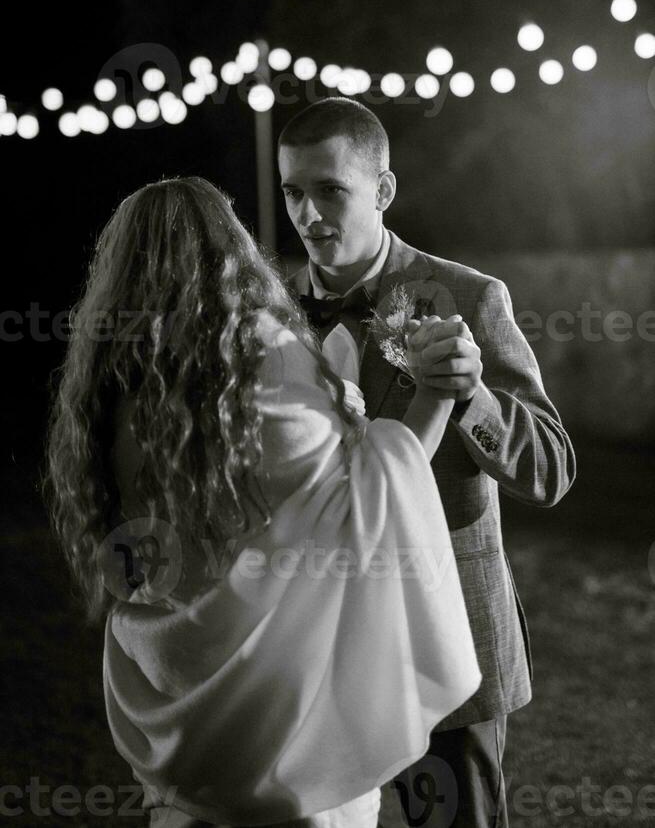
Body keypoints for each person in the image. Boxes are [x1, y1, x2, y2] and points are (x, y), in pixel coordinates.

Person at [43, 176, 482, 828]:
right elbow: (367, 498)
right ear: (233, 250)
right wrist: (432, 398)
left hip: (177, 701)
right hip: (283, 711)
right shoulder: (261, 353)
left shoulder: (106, 384)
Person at [278, 97, 577, 828]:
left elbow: (551, 467)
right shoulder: (272, 315)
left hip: (444, 646)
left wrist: (473, 396)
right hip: (318, 647)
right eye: (292, 192)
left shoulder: (471, 297)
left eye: (329, 190)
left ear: (381, 191)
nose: (309, 215)